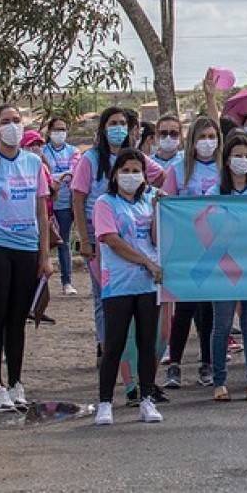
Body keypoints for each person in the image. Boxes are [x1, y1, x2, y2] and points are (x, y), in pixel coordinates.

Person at [0, 105, 53, 411]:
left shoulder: (34, 163)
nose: (12, 127)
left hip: (27, 246)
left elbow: (42, 213)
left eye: (16, 121)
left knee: (17, 319)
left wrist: (45, 255)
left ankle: (16, 381)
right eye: (5, 122)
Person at [72, 107, 166, 361]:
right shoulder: (90, 159)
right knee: (105, 296)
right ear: (103, 128)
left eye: (123, 123)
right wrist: (84, 238)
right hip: (100, 238)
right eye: (113, 123)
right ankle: (106, 348)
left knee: (137, 297)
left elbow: (163, 178)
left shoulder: (136, 158)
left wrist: (154, 198)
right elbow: (78, 199)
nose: (118, 128)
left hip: (137, 238)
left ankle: (131, 354)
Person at [92, 150, 164, 425]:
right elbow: (112, 239)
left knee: (148, 343)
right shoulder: (104, 203)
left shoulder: (148, 201)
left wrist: (159, 210)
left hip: (147, 283)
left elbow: (156, 238)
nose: (131, 176)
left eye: (137, 171)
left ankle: (147, 399)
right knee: (115, 345)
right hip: (119, 283)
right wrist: (145, 262)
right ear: (115, 174)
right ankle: (105, 402)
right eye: (126, 171)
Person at [207, 131, 247, 402]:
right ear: (227, 160)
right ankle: (219, 381)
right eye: (237, 155)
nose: (242, 160)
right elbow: (205, 229)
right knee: (221, 326)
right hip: (224, 268)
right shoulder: (213, 192)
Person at [161, 116, 222, 389]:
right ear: (192, 141)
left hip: (216, 249)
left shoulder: (224, 169)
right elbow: (165, 205)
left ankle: (207, 363)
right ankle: (174, 364)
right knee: (183, 308)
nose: (207, 143)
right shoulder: (178, 170)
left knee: (208, 309)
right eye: (202, 138)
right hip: (186, 249)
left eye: (212, 137)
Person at [43, 117, 80, 296]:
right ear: (49, 131)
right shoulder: (42, 151)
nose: (60, 133)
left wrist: (55, 176)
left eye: (63, 129)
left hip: (65, 204)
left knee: (63, 242)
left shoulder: (74, 151)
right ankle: (41, 284)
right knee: (42, 243)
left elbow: (74, 173)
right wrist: (62, 175)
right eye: (56, 129)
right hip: (47, 204)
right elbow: (43, 173)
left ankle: (67, 282)